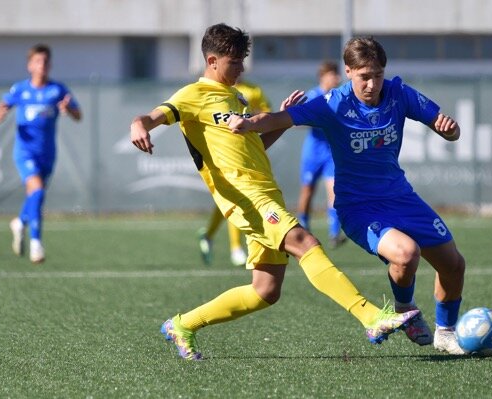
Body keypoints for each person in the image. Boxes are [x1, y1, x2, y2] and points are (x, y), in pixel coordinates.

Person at [130, 23, 419, 361]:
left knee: (265, 291)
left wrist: (276, 123)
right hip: (246, 197)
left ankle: (182, 325)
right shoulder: (192, 95)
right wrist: (139, 125)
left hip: (265, 191)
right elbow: (151, 116)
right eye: (234, 61)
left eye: (242, 60)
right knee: (305, 242)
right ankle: (371, 317)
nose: (241, 68)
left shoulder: (236, 97)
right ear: (212, 60)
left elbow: (255, 148)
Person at [229, 36, 467, 355]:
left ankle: (446, 334)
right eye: (364, 76)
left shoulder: (398, 93)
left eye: (377, 75)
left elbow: (447, 127)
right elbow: (277, 119)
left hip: (401, 197)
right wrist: (247, 122)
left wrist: (449, 130)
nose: (372, 84)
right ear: (349, 71)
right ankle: (405, 308)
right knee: (406, 254)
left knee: (453, 265)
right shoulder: (333, 103)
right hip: (359, 207)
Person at [0, 44, 82, 264]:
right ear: (30, 65)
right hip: (25, 153)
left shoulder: (58, 90)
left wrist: (68, 110)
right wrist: (0, 113)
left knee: (36, 197)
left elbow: (78, 115)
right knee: (38, 191)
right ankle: (36, 245)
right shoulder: (20, 90)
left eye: (45, 61)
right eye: (38, 61)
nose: (42, 65)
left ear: (50, 65)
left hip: (48, 154)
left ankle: (19, 222)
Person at [197, 78, 272, 267]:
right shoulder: (213, 92)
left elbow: (268, 115)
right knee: (236, 197)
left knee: (229, 201)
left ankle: (208, 235)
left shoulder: (253, 89)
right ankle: (235, 248)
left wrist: (252, 117)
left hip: (247, 152)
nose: (238, 66)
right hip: (223, 154)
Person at [296, 61, 346, 249]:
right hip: (313, 153)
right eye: (334, 75)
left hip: (331, 153)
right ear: (324, 76)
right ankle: (304, 228)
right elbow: (298, 119)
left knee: (334, 191)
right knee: (307, 191)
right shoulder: (312, 96)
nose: (338, 79)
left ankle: (334, 234)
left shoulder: (339, 97)